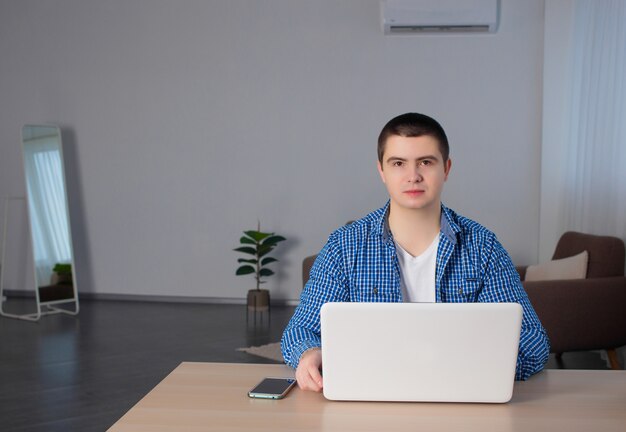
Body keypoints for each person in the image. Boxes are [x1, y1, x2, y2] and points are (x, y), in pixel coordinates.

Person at [281, 113, 550, 392]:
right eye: (398, 163)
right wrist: (309, 354)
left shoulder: (482, 247)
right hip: (369, 395)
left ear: (446, 168)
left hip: (460, 395)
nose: (413, 176)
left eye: (426, 162)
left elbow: (532, 340)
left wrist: (483, 368)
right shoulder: (344, 246)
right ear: (381, 171)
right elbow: (300, 331)